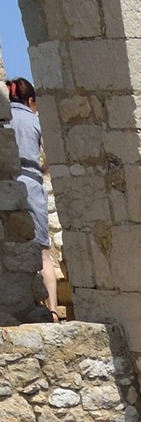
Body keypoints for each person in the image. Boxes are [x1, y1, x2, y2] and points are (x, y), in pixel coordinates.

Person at [7, 77, 62, 319]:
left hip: (7, 184)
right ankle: (52, 310)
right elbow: (51, 156)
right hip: (31, 182)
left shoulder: (5, 120)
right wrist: (42, 172)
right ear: (30, 100)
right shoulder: (35, 120)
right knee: (43, 252)